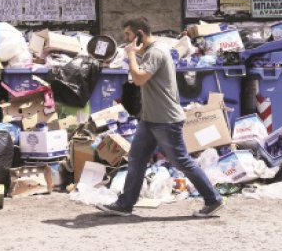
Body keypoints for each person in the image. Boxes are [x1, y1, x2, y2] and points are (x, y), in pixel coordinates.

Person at [96, 17, 225, 218]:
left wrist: (130, 55)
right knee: (136, 159)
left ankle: (213, 199)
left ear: (140, 34)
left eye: (129, 35)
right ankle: (125, 204)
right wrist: (131, 53)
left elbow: (139, 79)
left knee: (181, 161)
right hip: (150, 119)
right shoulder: (152, 50)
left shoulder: (156, 52)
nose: (127, 40)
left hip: (165, 120)